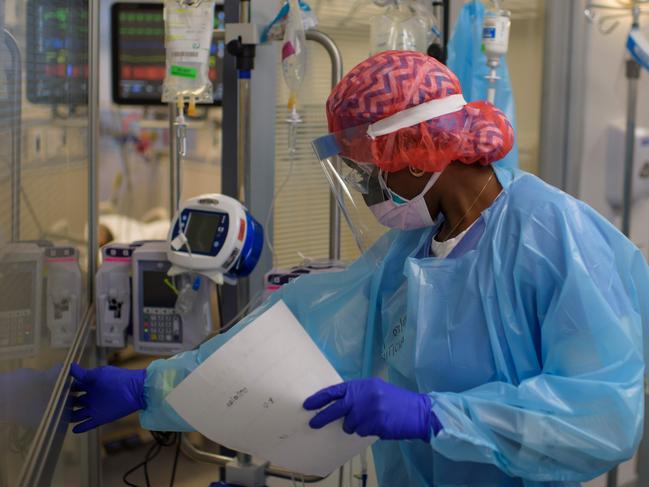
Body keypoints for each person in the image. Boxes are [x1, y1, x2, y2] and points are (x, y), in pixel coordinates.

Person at [69, 51, 649, 486]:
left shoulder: (553, 237)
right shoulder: (415, 252)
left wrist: (436, 416)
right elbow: (305, 333)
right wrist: (154, 386)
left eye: (373, 169)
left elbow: (604, 417)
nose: (370, 187)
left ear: (419, 149)